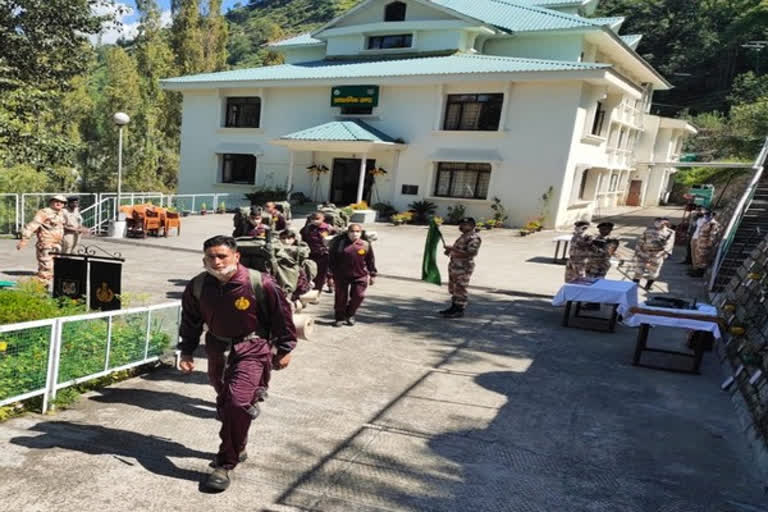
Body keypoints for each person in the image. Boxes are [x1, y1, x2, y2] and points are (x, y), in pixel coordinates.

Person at [178, 235, 297, 491]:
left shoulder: (260, 283)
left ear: (236, 257)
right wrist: (186, 352)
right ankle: (239, 444)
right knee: (225, 401)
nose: (217, 262)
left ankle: (225, 463)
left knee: (236, 402)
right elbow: (190, 321)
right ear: (203, 259)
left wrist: (285, 348)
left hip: (252, 347)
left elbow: (282, 317)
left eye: (222, 256)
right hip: (217, 347)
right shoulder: (198, 286)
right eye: (211, 257)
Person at [329, 223, 377, 327]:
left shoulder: (365, 244)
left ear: (361, 233)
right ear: (347, 232)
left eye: (357, 231)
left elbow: (370, 260)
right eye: (352, 231)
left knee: (359, 296)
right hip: (341, 275)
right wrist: (330, 276)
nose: (354, 234)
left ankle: (350, 314)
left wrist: (372, 274)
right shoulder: (339, 244)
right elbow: (331, 260)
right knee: (341, 297)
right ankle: (339, 318)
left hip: (360, 275)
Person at [16, 194, 66, 283]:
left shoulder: (62, 213)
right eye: (56, 201)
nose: (59, 203)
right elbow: (33, 225)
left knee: (55, 267)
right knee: (46, 267)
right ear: (51, 202)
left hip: (57, 244)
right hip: (46, 244)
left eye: (62, 202)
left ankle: (48, 287)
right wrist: (24, 239)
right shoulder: (44, 212)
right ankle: (41, 290)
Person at [439, 217, 482, 318]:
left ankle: (459, 310)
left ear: (472, 225)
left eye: (464, 224)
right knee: (454, 288)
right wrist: (450, 251)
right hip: (455, 265)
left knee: (461, 288)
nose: (461, 226)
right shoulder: (463, 237)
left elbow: (471, 253)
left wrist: (453, 249)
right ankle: (453, 307)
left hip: (464, 266)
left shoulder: (474, 238)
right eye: (461, 224)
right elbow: (459, 249)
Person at [632, 217, 675, 290]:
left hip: (657, 255)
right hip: (644, 252)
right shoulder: (649, 229)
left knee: (654, 272)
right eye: (657, 221)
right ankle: (633, 286)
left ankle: (648, 286)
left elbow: (670, 244)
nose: (657, 223)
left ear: (665, 223)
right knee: (638, 270)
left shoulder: (670, 232)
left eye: (660, 222)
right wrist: (637, 251)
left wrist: (665, 254)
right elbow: (641, 240)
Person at [300, 212, 337, 292]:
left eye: (317, 219)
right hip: (310, 254)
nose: (315, 221)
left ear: (323, 219)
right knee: (310, 272)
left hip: (324, 254)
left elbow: (336, 239)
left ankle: (319, 290)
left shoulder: (328, 228)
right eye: (313, 219)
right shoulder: (307, 228)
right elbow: (301, 239)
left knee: (322, 274)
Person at [689, 210, 721, 277]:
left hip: (705, 243)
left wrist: (709, 244)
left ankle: (700, 273)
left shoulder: (714, 224)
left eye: (708, 215)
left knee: (703, 259)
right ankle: (696, 270)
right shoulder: (706, 222)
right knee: (698, 257)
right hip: (700, 242)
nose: (706, 216)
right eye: (706, 215)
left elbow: (713, 235)